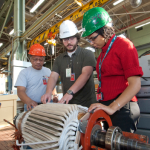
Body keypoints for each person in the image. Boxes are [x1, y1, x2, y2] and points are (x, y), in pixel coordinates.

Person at [82, 7, 143, 132]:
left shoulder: (124, 45)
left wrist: (113, 107)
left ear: (104, 30)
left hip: (122, 108)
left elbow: (135, 84)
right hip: (109, 107)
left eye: (93, 38)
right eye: (89, 39)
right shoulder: (101, 55)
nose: (91, 43)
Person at [41, 20, 97, 107]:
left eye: (71, 38)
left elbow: (86, 74)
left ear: (77, 38)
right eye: (65, 39)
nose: (69, 42)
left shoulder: (87, 54)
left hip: (88, 104)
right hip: (68, 105)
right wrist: (48, 92)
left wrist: (69, 92)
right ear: (62, 40)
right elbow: (53, 76)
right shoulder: (59, 59)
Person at [15, 43, 58, 111]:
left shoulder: (48, 71)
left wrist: (55, 95)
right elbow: (20, 91)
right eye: (35, 59)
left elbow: (52, 85)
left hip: (47, 104)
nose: (38, 62)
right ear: (30, 59)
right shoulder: (24, 73)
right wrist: (29, 101)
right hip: (31, 106)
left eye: (40, 60)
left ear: (43, 60)